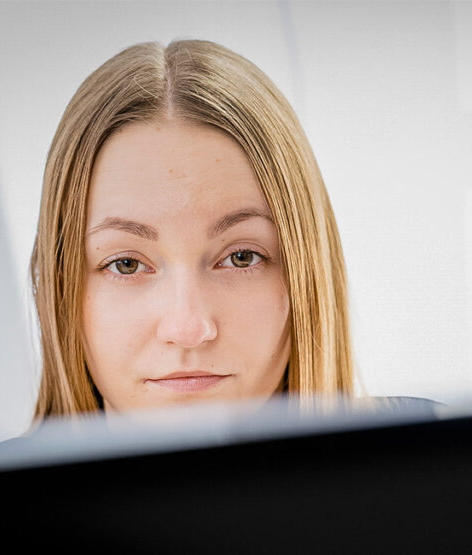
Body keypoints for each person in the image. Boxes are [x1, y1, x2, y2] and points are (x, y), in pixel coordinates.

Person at [31, 39, 354, 420]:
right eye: (126, 265)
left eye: (241, 257)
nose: (188, 329)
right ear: (59, 290)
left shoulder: (437, 462)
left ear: (307, 274)